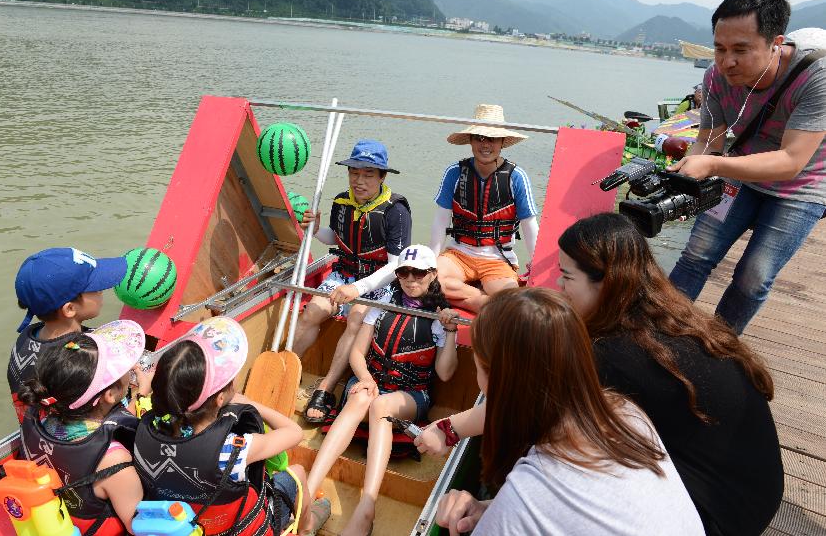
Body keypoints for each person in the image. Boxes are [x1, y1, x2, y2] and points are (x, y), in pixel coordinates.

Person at [417, 213, 784, 536]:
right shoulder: (664, 314)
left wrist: (450, 431)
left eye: (566, 277)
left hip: (718, 515)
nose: (558, 287)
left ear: (605, 281)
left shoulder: (612, 356)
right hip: (754, 486)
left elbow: (520, 402)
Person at [433, 288, 704, 535]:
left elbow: (539, 507)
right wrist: (493, 508)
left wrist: (504, 511)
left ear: (497, 380)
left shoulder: (527, 497)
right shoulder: (625, 413)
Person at [667, 0, 826, 334]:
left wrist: (712, 165)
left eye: (741, 50)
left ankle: (720, 350)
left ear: (775, 42)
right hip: (738, 172)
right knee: (696, 254)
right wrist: (683, 178)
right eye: (720, 49)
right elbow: (709, 140)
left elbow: (791, 161)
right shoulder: (715, 77)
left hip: (801, 186)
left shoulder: (817, 74)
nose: (727, 62)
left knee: (754, 276)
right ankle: (655, 337)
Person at [304, 245, 460, 536]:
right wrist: (365, 378)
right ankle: (309, 490)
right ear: (397, 274)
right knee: (362, 396)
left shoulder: (439, 317)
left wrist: (451, 332)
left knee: (380, 406)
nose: (411, 279)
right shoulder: (384, 303)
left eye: (419, 273)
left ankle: (366, 508)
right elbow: (357, 355)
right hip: (372, 381)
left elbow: (446, 373)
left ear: (433, 274)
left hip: (410, 395)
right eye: (403, 272)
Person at [133, 317, 327, 536]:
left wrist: (142, 391)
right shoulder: (235, 449)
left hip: (187, 525)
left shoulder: (144, 429)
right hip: (235, 528)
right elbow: (295, 432)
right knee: (297, 473)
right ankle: (306, 529)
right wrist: (250, 403)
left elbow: (143, 406)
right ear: (220, 398)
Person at [293, 139, 412, 424]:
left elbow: (396, 266)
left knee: (357, 317)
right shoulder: (341, 202)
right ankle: (287, 368)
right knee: (313, 312)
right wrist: (314, 229)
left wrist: (357, 289)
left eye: (368, 174)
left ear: (382, 177)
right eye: (354, 173)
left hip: (378, 281)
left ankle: (326, 387)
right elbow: (338, 239)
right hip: (343, 273)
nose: (359, 181)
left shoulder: (396, 210)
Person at [17, 320, 150, 535]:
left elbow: (104, 423)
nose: (130, 369)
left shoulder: (40, 418)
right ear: (110, 395)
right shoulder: (114, 461)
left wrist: (139, 395)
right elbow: (136, 526)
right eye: (124, 368)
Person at [432, 103, 539, 312]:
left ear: (502, 143)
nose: (485, 145)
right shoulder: (454, 173)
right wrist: (431, 260)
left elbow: (529, 225)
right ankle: (485, 302)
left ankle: (483, 301)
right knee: (430, 282)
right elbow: (441, 220)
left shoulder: (517, 177)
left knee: (513, 303)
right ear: (470, 141)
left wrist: (537, 264)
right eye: (479, 138)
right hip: (458, 253)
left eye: (492, 139)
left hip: (497, 257)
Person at [9, 247, 128, 421]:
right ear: (70, 308)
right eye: (95, 287)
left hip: (41, 434)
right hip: (86, 437)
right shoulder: (82, 358)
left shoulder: (25, 338)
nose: (102, 290)